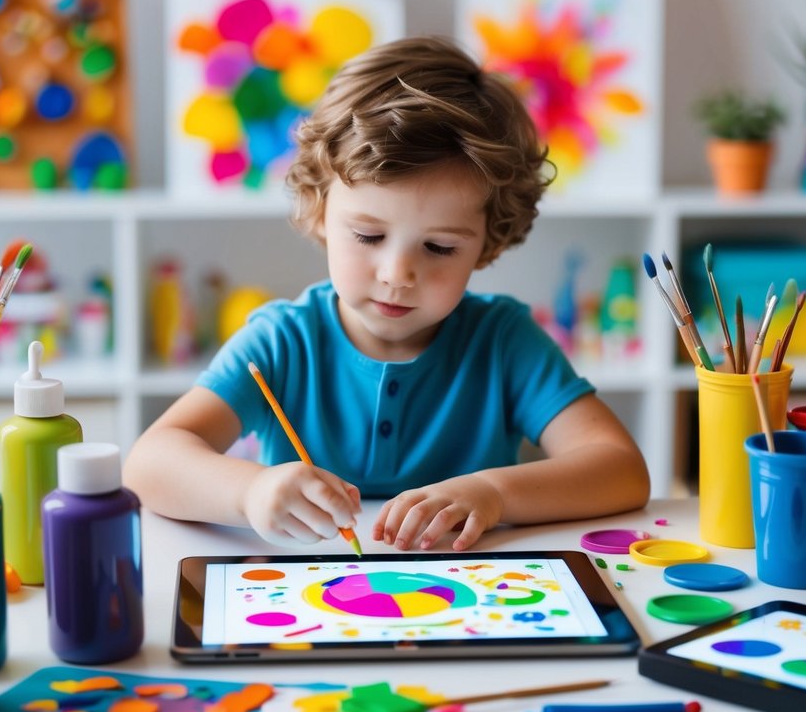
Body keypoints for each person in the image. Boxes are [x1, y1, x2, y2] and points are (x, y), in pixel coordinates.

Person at [124, 36, 649, 551]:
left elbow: (621, 469)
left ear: (488, 242)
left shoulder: (504, 342)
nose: (398, 273)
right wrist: (251, 492)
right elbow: (150, 463)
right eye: (369, 236)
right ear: (319, 209)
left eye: (440, 247)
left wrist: (494, 494)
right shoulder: (281, 341)